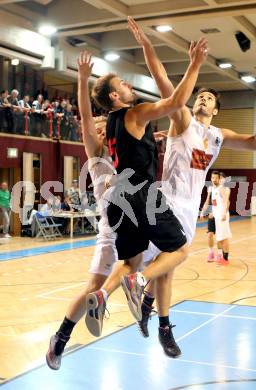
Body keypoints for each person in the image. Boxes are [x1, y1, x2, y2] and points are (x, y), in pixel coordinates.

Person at [126, 17, 256, 353]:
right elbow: (164, 82)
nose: (202, 99)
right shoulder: (182, 119)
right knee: (174, 259)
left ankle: (150, 313)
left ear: (216, 109)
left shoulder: (218, 135)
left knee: (166, 269)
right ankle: (146, 301)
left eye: (209, 98)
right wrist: (149, 48)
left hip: (187, 207)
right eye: (200, 96)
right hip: (164, 200)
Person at [84, 37, 208, 355]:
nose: (128, 84)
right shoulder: (136, 112)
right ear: (115, 96)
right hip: (144, 195)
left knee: (131, 261)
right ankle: (144, 290)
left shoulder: (113, 124)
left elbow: (128, 143)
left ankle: (106, 296)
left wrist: (149, 141)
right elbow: (177, 100)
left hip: (121, 200)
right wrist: (194, 63)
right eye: (122, 83)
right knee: (178, 252)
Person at [46, 53, 120, 371]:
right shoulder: (96, 150)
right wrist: (83, 79)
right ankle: (61, 338)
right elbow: (88, 116)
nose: (101, 131)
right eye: (98, 128)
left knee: (161, 263)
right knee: (93, 287)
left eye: (106, 128)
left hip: (137, 227)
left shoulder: (124, 151)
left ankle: (143, 306)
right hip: (111, 229)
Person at [201, 171, 221, 262]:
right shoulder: (210, 188)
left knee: (220, 237)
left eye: (216, 178)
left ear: (219, 179)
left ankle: (220, 254)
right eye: (212, 178)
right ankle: (211, 253)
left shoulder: (222, 189)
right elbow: (207, 201)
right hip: (212, 216)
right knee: (209, 235)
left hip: (220, 215)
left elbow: (224, 203)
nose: (214, 180)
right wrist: (202, 212)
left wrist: (216, 211)